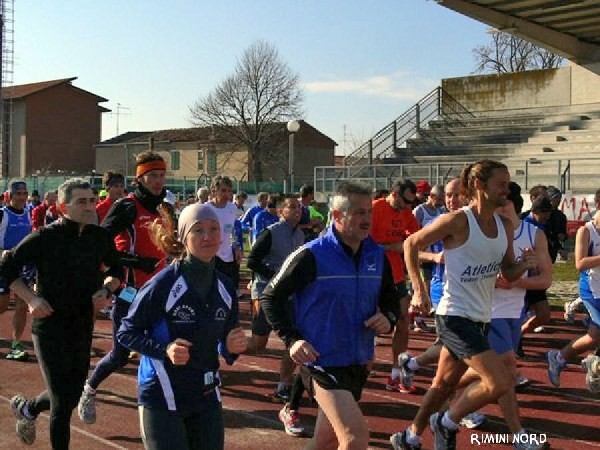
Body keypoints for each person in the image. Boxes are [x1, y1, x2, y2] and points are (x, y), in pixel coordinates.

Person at [391, 160, 538, 450]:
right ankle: (446, 421)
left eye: (508, 185)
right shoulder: (458, 221)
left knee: (444, 384)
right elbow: (411, 245)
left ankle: (410, 436)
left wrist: (523, 265)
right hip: (454, 315)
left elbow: (507, 273)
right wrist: (418, 290)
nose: (507, 191)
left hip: (481, 318)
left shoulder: (505, 225)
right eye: (501, 185)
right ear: (480, 186)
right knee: (500, 379)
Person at [261, 181, 399, 450]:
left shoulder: (376, 255)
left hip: (358, 361)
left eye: (369, 212)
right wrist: (293, 340)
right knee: (354, 437)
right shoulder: (311, 255)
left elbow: (390, 301)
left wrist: (389, 319)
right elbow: (270, 297)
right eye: (359, 213)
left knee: (325, 441)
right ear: (337, 216)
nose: (366, 219)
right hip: (320, 361)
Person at [3, 178, 123, 449]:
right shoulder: (46, 237)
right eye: (81, 202)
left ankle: (28, 409)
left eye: (92, 200)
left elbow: (117, 271)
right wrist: (31, 298)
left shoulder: (99, 237)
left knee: (70, 394)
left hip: (81, 324)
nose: (89, 207)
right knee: (61, 405)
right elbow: (7, 266)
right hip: (49, 327)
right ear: (61, 207)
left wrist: (107, 291)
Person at [117, 202, 246, 450]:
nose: (208, 236)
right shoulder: (163, 284)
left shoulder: (226, 287)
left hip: (206, 395)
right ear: (183, 238)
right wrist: (164, 349)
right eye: (198, 230)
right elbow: (126, 331)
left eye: (214, 229)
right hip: (162, 396)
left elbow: (227, 349)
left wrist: (232, 346)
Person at [78, 151, 168, 424]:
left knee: (165, 348)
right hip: (129, 292)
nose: (157, 181)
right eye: (151, 176)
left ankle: (163, 405)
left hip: (160, 294)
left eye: (162, 175)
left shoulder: (165, 208)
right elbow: (99, 244)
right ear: (139, 178)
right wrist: (136, 261)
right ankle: (89, 389)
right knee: (120, 354)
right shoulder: (127, 207)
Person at [245, 194, 305, 430]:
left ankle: (284, 385)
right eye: (292, 207)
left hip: (289, 297)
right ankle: (225, 348)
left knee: (292, 340)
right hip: (266, 293)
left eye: (299, 207)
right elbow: (252, 261)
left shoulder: (301, 235)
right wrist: (275, 277)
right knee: (259, 345)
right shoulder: (270, 232)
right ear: (281, 211)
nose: (297, 210)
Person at [547, 188, 600, 391]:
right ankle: (590, 361)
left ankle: (560, 357)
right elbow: (580, 263)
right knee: (596, 335)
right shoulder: (586, 231)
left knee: (595, 334)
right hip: (591, 288)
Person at [370, 178, 420, 393]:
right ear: (395, 193)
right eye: (405, 202)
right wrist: (392, 246)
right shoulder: (375, 209)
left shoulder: (407, 213)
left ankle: (396, 373)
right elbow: (363, 241)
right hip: (372, 274)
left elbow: (415, 237)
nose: (408, 207)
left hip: (397, 275)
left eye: (411, 203)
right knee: (368, 321)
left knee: (403, 321)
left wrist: (408, 245)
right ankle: (362, 364)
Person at [0, 180, 34, 361]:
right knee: (2, 306)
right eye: (18, 194)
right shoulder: (2, 215)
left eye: (24, 194)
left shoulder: (29, 214)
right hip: (3, 265)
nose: (22, 197)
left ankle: (15, 343)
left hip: (22, 267)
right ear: (9, 197)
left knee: (22, 305)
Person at [206, 176, 242, 289]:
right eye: (223, 190)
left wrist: (236, 247)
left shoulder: (232, 208)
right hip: (211, 256)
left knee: (229, 290)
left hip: (228, 256)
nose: (227, 194)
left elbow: (230, 230)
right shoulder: (206, 209)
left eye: (229, 191)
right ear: (213, 191)